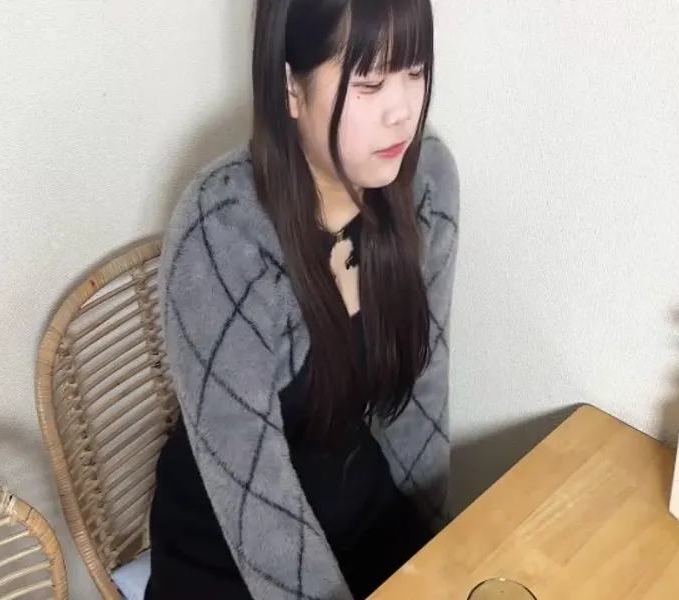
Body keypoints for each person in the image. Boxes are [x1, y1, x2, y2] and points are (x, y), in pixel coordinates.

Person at [146, 0, 459, 598]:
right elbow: (254, 500)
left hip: (354, 506)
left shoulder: (427, 180)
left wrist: (435, 554)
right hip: (226, 548)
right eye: (369, 83)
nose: (403, 112)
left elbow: (422, 393)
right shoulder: (222, 234)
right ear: (291, 85)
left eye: (416, 71)